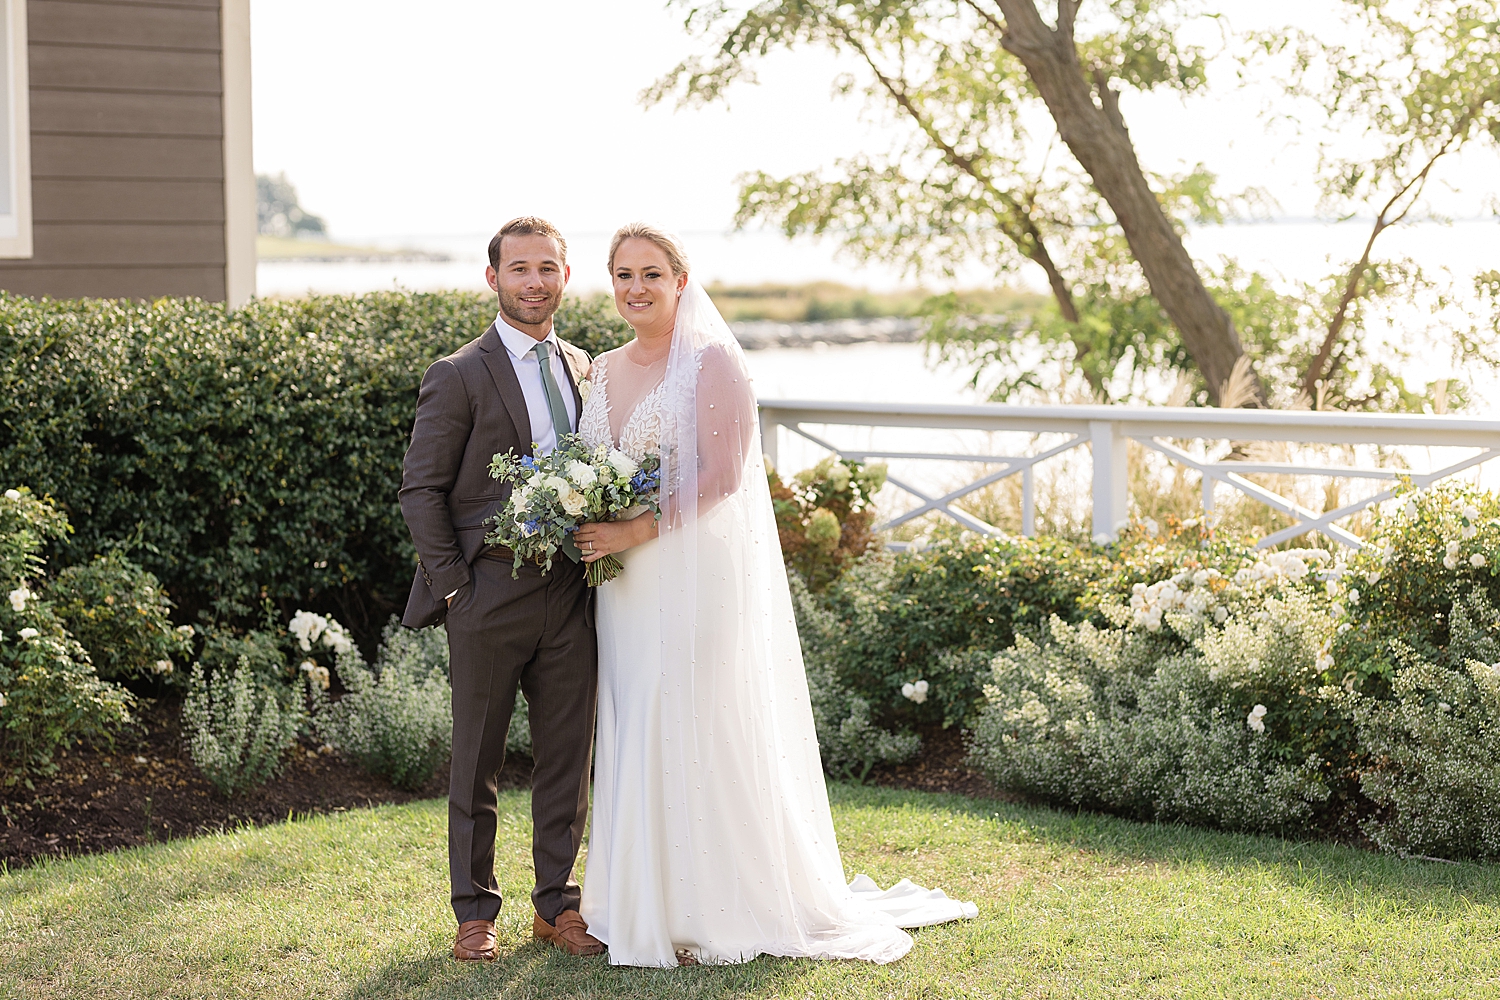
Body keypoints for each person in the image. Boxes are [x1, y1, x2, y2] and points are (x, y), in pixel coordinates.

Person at [573, 224, 976, 967]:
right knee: (635, 717)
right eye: (624, 274)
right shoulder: (600, 369)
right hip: (623, 587)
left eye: (652, 274)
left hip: (689, 571)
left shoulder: (713, 362)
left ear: (680, 281)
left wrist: (634, 531)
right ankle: (641, 902)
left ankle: (715, 908)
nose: (637, 287)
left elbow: (724, 477)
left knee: (690, 717)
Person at [399, 216, 605, 962]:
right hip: (487, 596)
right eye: (519, 269)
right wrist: (457, 590)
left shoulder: (587, 366)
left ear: (564, 277)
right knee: (476, 762)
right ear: (493, 279)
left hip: (572, 597)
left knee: (566, 760)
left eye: (547, 268)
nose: (534, 282)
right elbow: (420, 491)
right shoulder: (459, 372)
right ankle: (474, 913)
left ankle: (558, 907)